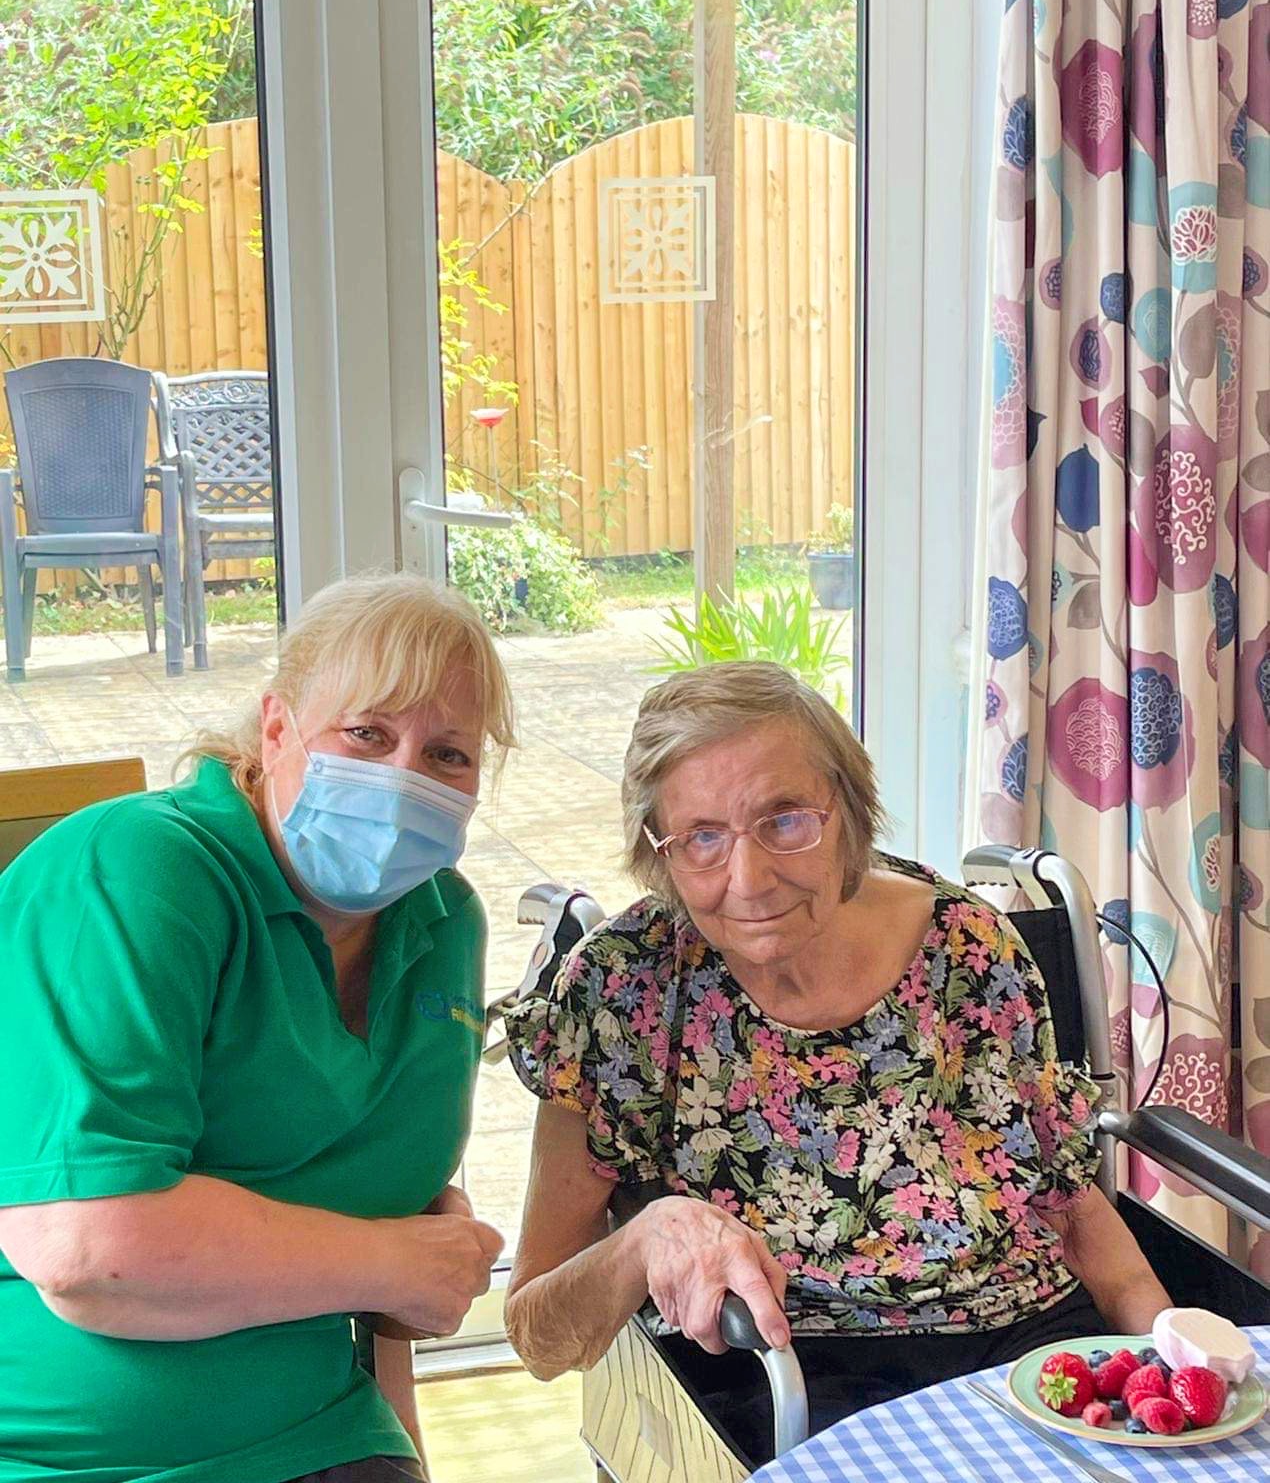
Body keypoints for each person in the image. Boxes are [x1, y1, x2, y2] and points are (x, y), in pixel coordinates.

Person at [503, 662, 1171, 1463]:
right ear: (659, 852)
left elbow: (1071, 1205)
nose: (749, 881)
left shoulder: (969, 947)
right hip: (788, 1374)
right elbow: (539, 1335)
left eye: (785, 820)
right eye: (701, 838)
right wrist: (646, 1239)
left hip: (1030, 1353)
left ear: (850, 814)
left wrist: (1171, 1360)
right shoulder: (625, 990)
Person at [0, 572, 514, 1483]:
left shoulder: (445, 923)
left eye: (447, 754)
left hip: (318, 1433)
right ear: (276, 730)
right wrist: (392, 1264)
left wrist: (403, 1445)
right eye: (366, 734)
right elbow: (85, 1251)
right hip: (57, 1453)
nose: (403, 778)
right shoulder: (141, 871)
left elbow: (387, 1255)